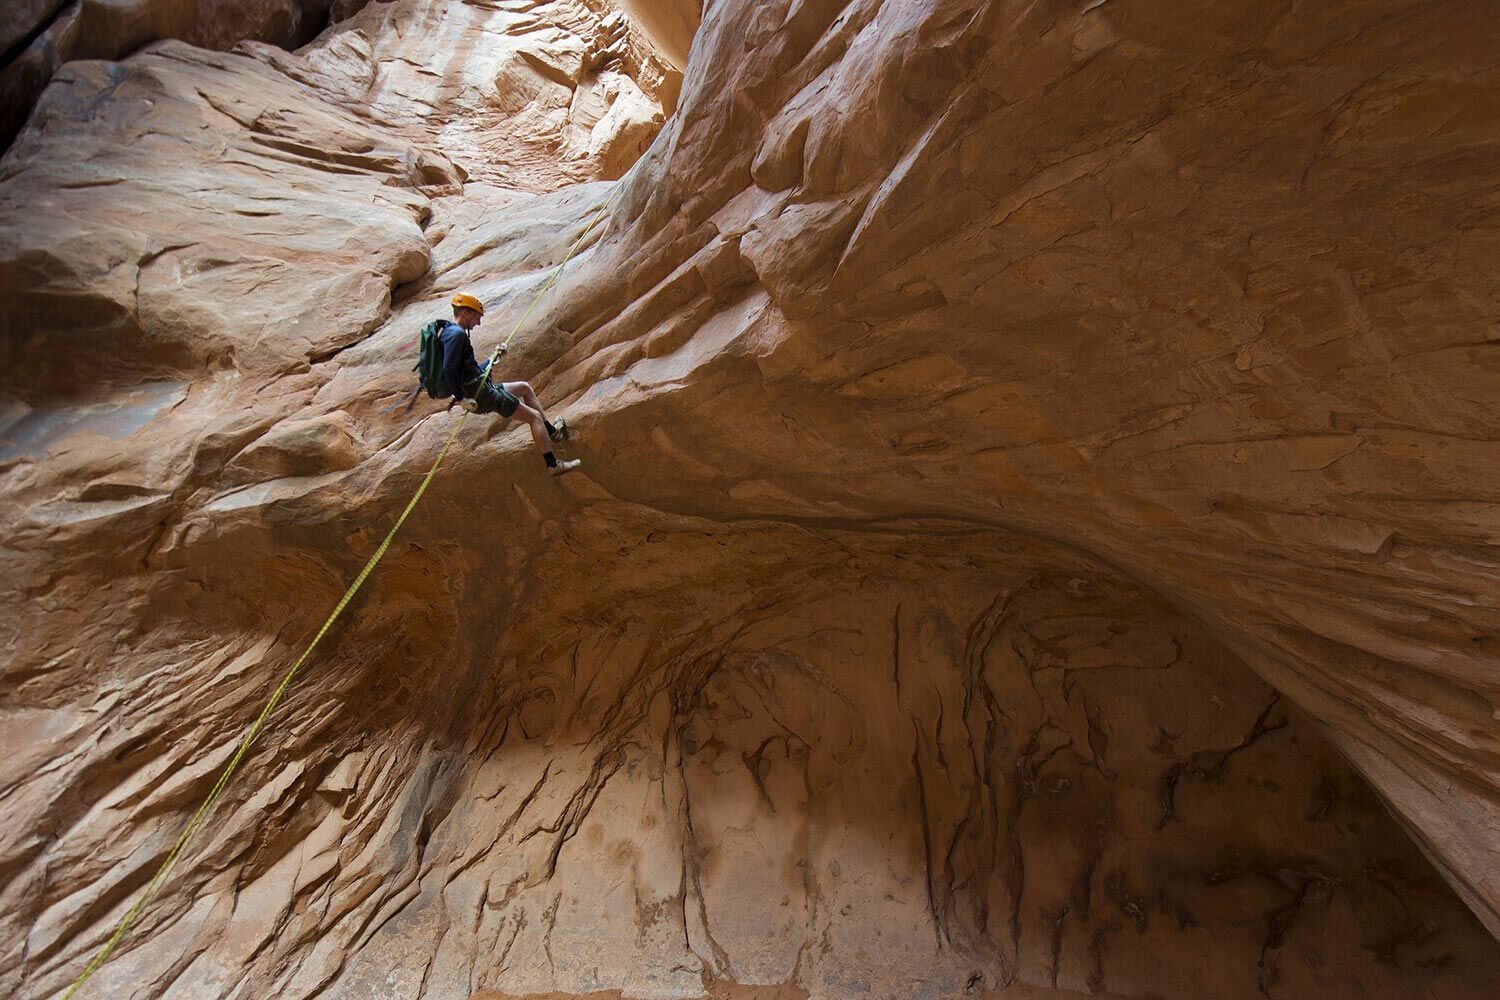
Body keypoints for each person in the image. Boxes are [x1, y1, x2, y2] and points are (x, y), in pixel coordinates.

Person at [440, 292, 580, 477]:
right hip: (482, 396)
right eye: (477, 317)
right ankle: (552, 464)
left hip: (479, 389)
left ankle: (552, 432)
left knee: (524, 388)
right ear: (465, 313)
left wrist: (493, 358)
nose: (478, 323)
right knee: (534, 417)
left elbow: (467, 370)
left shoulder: (450, 332)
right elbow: (449, 369)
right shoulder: (457, 335)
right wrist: (460, 398)